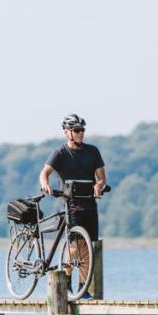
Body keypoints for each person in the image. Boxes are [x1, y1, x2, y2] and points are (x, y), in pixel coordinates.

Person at [39, 114, 106, 296]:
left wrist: (98, 186)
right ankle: (67, 279)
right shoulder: (60, 153)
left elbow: (101, 178)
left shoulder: (93, 151)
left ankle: (82, 288)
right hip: (70, 203)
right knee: (75, 245)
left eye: (82, 130)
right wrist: (45, 184)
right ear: (67, 132)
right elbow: (45, 172)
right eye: (77, 130)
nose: (80, 133)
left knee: (87, 247)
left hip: (89, 203)